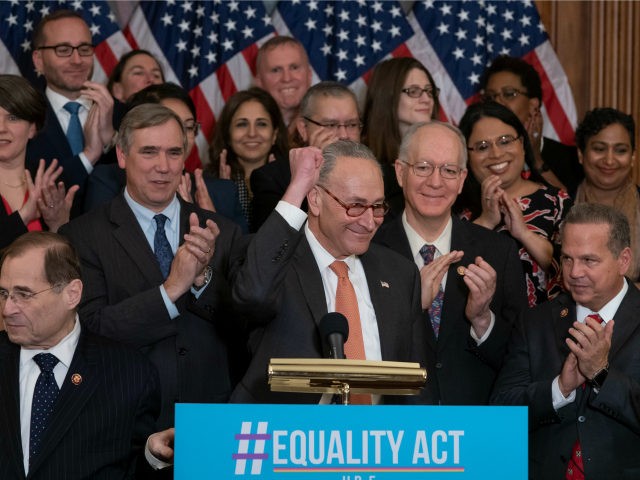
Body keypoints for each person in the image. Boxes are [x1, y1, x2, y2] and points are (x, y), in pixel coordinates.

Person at [60, 104, 245, 429]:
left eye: (174, 153)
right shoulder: (82, 235)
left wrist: (203, 281)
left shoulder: (220, 230)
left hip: (210, 419)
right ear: (121, 156)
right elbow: (88, 330)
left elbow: (242, 330)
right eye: (149, 152)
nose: (163, 166)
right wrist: (170, 291)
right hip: (120, 421)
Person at [231, 140, 427, 404]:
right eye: (355, 206)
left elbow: (417, 382)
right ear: (315, 199)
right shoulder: (274, 261)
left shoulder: (400, 274)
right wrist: (297, 187)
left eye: (378, 207)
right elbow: (254, 294)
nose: (369, 222)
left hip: (379, 439)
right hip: (286, 437)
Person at [374, 121, 527, 405]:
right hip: (397, 428)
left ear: (461, 180)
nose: (435, 181)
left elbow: (520, 359)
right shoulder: (370, 251)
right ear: (400, 172)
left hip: (475, 428)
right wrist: (411, 308)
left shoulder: (498, 251)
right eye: (422, 167)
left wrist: (482, 319)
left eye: (448, 170)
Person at [492, 203, 640, 479]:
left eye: (589, 260)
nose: (573, 272)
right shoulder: (535, 322)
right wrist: (559, 389)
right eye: (568, 258)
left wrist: (601, 375)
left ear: (624, 260)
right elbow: (501, 413)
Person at [0, 231, 160, 479]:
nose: (8, 309)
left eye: (23, 294)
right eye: (3, 294)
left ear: (72, 293)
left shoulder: (129, 374)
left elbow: (134, 467)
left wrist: (152, 456)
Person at [85, 83, 248, 232]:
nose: (180, 135)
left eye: (189, 127)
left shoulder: (223, 191)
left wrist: (212, 225)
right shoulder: (108, 181)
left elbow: (245, 260)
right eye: (168, 123)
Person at [457, 101, 572, 307]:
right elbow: (450, 280)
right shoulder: (456, 210)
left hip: (547, 331)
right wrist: (485, 221)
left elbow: (573, 271)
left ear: (522, 143)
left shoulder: (558, 202)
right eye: (482, 146)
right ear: (466, 157)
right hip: (478, 332)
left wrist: (524, 234)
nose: (496, 154)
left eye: (505, 141)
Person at [27, 10, 118, 217]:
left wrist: (111, 140)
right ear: (39, 60)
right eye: (63, 49)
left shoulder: (123, 112)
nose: (77, 60)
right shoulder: (21, 118)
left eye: (84, 48)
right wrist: (89, 155)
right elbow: (33, 193)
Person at [250, 81, 361, 231]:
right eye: (330, 125)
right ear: (303, 128)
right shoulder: (271, 178)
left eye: (352, 125)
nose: (343, 135)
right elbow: (270, 242)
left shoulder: (382, 177)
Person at [480, 55, 583, 196]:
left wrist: (535, 159)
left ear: (533, 105)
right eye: (490, 97)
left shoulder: (571, 160)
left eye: (509, 94)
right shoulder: (476, 155)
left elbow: (569, 210)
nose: (497, 103)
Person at [0, 75, 78, 250]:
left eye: (12, 118)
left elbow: (74, 261)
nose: (1, 128)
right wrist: (24, 216)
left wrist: (58, 225)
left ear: (32, 128)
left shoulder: (54, 182)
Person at [362, 57, 440, 218]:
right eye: (413, 91)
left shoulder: (444, 156)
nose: (426, 99)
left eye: (429, 91)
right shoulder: (365, 166)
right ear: (387, 97)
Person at [207, 87, 289, 232]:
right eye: (242, 124)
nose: (252, 133)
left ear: (275, 134)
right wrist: (222, 193)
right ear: (227, 135)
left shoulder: (294, 180)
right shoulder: (206, 183)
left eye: (261, 124)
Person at [574, 107, 639, 281]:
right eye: (599, 148)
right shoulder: (559, 205)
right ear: (581, 154)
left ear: (633, 157)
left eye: (620, 150)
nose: (609, 160)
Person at [254, 35, 312, 134]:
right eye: (276, 70)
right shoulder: (250, 133)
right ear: (259, 81)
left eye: (294, 67)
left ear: (309, 75)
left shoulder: (332, 126)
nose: (287, 78)